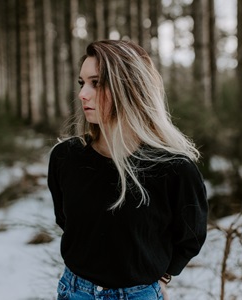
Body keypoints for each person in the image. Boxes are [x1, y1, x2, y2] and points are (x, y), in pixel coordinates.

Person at [48, 39, 208, 300]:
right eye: (82, 82)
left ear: (129, 88)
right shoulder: (66, 157)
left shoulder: (174, 169)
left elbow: (190, 236)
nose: (82, 94)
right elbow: (67, 221)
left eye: (96, 83)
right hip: (75, 291)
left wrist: (162, 278)